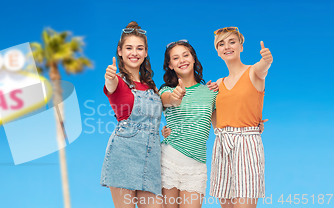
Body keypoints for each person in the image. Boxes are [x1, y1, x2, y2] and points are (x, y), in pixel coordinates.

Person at [100, 21, 163, 208]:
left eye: (139, 48)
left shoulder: (151, 86)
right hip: (124, 155)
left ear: (145, 52)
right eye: (129, 48)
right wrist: (109, 76)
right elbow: (110, 85)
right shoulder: (117, 81)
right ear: (120, 51)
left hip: (151, 156)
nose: (134, 53)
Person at [209, 26, 273, 208]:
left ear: (241, 46)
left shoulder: (254, 72)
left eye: (232, 42)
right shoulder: (218, 84)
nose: (227, 46)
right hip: (222, 145)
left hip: (247, 144)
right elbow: (216, 119)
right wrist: (207, 98)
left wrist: (267, 60)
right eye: (221, 44)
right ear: (218, 51)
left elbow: (263, 68)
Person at [158, 40, 218, 208]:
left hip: (196, 165)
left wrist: (252, 127)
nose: (182, 60)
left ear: (193, 59)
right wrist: (176, 96)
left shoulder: (210, 92)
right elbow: (170, 101)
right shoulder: (166, 91)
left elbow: (220, 127)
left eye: (185, 55)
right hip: (169, 160)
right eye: (175, 58)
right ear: (170, 65)